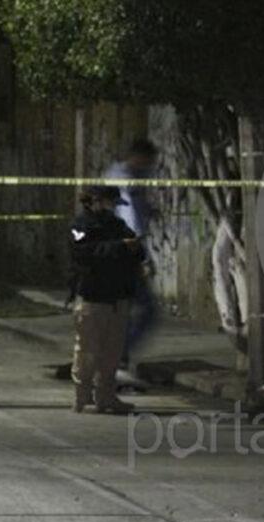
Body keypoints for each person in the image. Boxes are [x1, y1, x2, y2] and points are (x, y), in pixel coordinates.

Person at [68, 186, 144, 414]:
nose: (112, 208)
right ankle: (82, 396)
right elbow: (82, 253)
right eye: (109, 202)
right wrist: (120, 247)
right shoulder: (81, 225)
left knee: (112, 353)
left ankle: (106, 396)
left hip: (118, 297)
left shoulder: (117, 225)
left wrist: (133, 248)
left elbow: (137, 251)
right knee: (87, 351)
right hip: (93, 297)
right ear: (95, 201)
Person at [106, 139, 158, 378]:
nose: (149, 166)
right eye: (148, 161)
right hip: (124, 254)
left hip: (119, 253)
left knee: (125, 309)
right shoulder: (125, 180)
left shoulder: (121, 175)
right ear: (138, 157)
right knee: (146, 310)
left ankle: (116, 358)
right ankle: (117, 357)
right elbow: (130, 217)